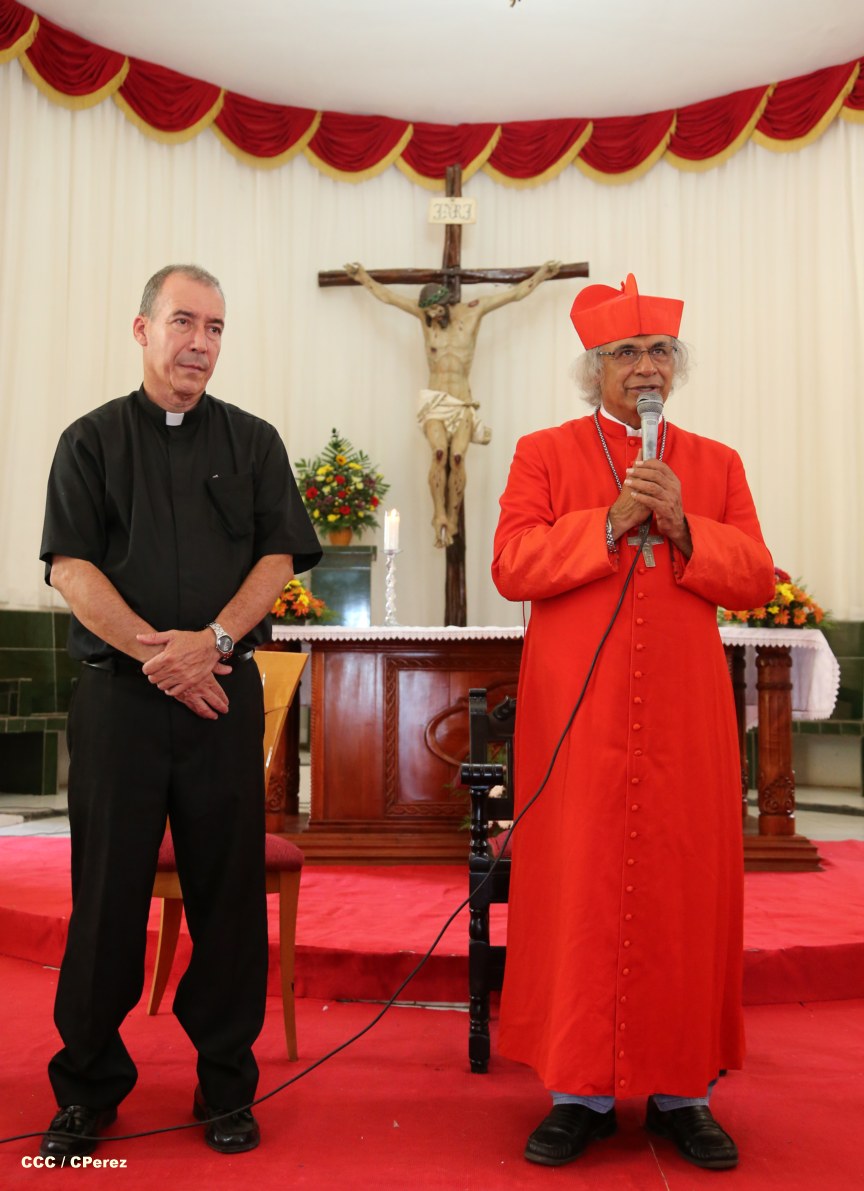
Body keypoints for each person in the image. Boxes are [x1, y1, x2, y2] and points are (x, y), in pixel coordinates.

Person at [491, 274, 775, 1171]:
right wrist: (608, 521)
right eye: (626, 353)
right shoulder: (543, 453)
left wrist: (686, 526)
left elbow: (756, 577)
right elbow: (511, 564)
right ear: (596, 369)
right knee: (577, 885)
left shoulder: (717, 463)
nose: (645, 366)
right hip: (578, 722)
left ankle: (684, 1091)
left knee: (683, 889)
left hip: (685, 721)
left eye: (659, 352)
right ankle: (576, 1093)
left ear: (675, 367)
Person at [38, 264, 322, 1158]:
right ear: (143, 329)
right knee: (105, 898)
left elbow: (278, 556)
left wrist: (215, 641)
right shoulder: (89, 441)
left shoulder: (254, 441)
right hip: (120, 702)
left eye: (216, 328)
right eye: (184, 322)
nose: (201, 343)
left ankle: (226, 1086)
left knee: (228, 897)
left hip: (219, 698)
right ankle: (87, 1084)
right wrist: (161, 656)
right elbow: (70, 568)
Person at [344, 260, 560, 547]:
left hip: (461, 402)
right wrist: (362, 277)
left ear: (445, 303)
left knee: (457, 457)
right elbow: (389, 297)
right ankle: (439, 515)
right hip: (434, 401)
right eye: (428, 312)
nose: (432, 316)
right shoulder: (424, 316)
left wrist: (543, 274)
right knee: (438, 454)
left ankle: (453, 518)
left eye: (436, 310)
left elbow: (514, 294)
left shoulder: (473, 312)